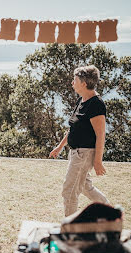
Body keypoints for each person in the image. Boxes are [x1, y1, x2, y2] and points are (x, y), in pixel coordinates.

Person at [49, 65, 110, 217]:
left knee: (69, 191)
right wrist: (59, 147)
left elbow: (101, 135)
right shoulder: (82, 100)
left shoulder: (96, 104)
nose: (72, 83)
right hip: (76, 153)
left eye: (74, 80)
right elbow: (73, 127)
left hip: (84, 154)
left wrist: (98, 161)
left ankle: (70, 229)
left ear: (84, 83)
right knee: (85, 187)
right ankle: (109, 211)